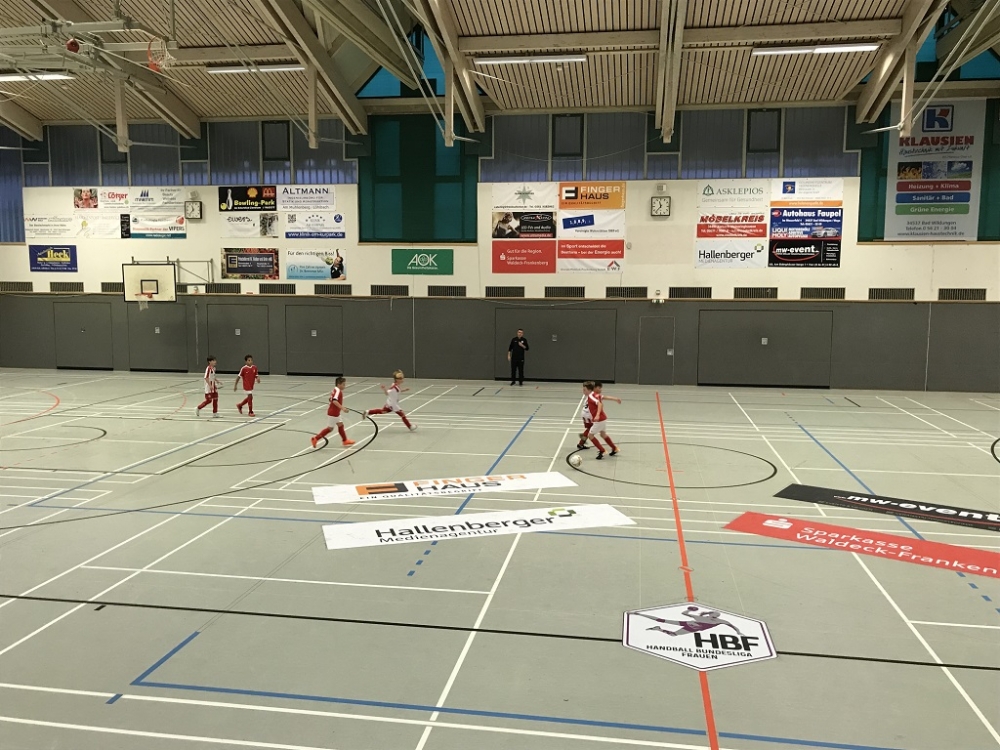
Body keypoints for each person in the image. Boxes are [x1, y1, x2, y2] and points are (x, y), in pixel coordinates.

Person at [311, 376, 355, 448]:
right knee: (330, 428)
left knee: (340, 425)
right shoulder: (338, 391)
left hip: (335, 412)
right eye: (343, 384)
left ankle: (345, 440)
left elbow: (331, 399)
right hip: (333, 413)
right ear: (339, 384)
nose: (344, 386)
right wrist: (342, 408)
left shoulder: (335, 390)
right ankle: (315, 439)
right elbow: (334, 400)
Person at [586, 381, 621, 459]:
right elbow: (605, 397)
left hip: (599, 420)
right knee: (603, 434)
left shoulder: (593, 396)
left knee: (590, 436)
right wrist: (616, 399)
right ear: (595, 388)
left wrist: (597, 415)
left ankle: (602, 450)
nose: (601, 389)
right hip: (603, 419)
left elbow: (599, 404)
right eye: (599, 388)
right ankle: (614, 448)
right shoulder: (595, 395)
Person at [577, 381, 596, 449]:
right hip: (588, 415)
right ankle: (583, 438)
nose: (583, 391)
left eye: (584, 390)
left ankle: (582, 441)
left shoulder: (590, 396)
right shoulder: (592, 396)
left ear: (590, 390)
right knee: (591, 429)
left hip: (585, 414)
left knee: (590, 428)